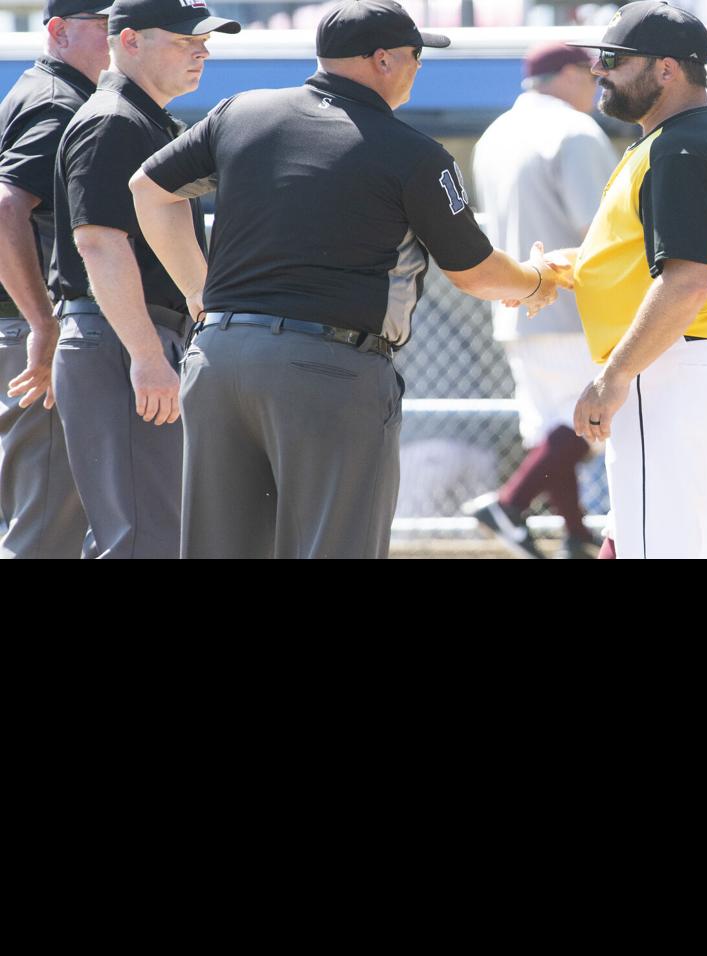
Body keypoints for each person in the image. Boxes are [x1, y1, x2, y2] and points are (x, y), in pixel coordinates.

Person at [130, 0, 563, 558]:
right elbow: (476, 273)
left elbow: (149, 188)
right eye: (414, 55)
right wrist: (535, 281)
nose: (419, 65)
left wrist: (199, 291)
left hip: (218, 358)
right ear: (382, 60)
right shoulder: (412, 153)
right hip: (326, 370)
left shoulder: (242, 111)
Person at [547, 0, 707, 558]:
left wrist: (615, 375)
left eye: (614, 59)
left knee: (655, 548)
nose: (599, 70)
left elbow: (687, 280)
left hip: (676, 365)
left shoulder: (679, 145)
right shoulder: (698, 133)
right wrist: (569, 268)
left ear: (666, 69)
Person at [48, 0, 241, 559]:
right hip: (121, 338)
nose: (201, 50)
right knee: (143, 539)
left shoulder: (146, 119)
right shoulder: (114, 119)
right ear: (129, 41)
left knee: (149, 531)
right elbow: (98, 241)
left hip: (133, 337)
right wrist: (146, 355)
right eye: (184, 40)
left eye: (203, 40)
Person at [463, 42, 620, 560]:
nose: (598, 85)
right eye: (592, 74)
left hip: (515, 297)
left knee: (552, 428)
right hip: (574, 300)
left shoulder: (495, 133)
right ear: (570, 73)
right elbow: (598, 229)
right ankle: (510, 504)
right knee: (589, 421)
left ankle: (574, 533)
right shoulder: (573, 130)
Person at [0, 1, 109, 559]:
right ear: (59, 31)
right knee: (46, 527)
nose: (121, 38)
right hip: (33, 330)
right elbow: (5, 207)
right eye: (107, 26)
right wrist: (41, 322)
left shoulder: (54, 93)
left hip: (26, 325)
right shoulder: (57, 101)